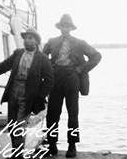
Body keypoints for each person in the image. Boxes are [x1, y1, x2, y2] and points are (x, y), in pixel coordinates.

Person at [42, 14, 102, 157]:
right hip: (55, 79)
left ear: (71, 28)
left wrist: (81, 69)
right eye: (63, 26)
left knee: (73, 113)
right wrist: (50, 67)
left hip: (72, 79)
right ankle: (52, 145)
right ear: (60, 27)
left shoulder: (80, 43)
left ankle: (72, 146)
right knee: (52, 114)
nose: (65, 28)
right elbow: (42, 58)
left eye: (68, 26)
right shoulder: (51, 41)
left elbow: (96, 56)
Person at [0, 27, 54, 156]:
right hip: (13, 91)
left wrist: (38, 96)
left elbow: (49, 80)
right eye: (25, 38)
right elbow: (4, 66)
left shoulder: (42, 58)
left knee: (19, 126)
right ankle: (16, 152)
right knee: (12, 125)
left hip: (28, 95)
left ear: (36, 41)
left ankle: (18, 155)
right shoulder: (18, 53)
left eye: (30, 38)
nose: (26, 40)